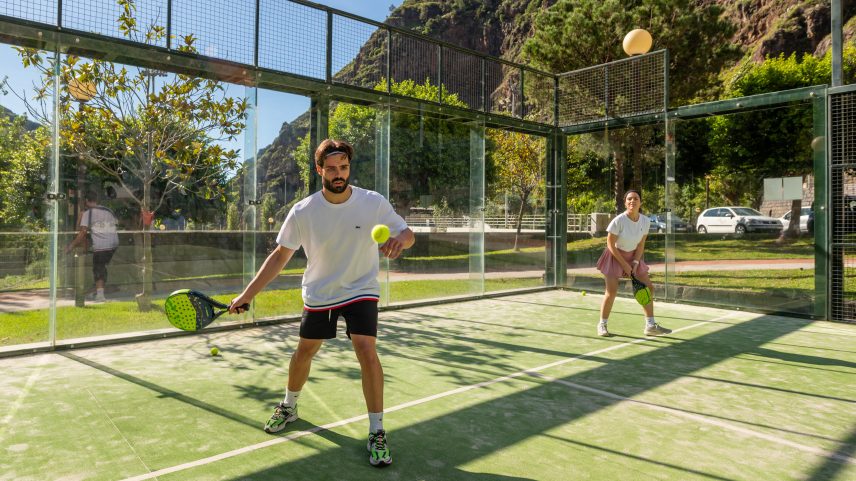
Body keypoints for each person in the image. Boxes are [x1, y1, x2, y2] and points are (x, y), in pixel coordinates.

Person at [228, 139, 415, 467]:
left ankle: (377, 431)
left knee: (366, 350)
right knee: (305, 351)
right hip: (320, 293)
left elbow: (408, 233)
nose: (338, 173)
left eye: (343, 167)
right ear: (319, 170)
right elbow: (279, 256)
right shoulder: (303, 211)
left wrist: (401, 240)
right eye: (331, 168)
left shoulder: (373, 202)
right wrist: (247, 295)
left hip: (362, 289)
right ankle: (290, 405)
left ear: (349, 168)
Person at [595, 190, 671, 337]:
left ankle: (650, 325)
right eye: (629, 199)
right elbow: (610, 244)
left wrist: (635, 262)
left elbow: (641, 244)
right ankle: (602, 325)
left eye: (636, 198)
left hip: (633, 257)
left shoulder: (645, 221)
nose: (632, 201)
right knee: (611, 292)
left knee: (648, 287)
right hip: (614, 256)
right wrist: (624, 264)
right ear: (625, 203)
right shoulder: (618, 221)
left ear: (640, 202)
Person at [65, 191, 119, 303]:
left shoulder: (88, 213)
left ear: (86, 201)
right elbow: (115, 224)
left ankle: (100, 295)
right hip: (114, 244)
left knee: (98, 268)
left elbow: (82, 232)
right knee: (102, 267)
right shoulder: (108, 210)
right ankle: (95, 291)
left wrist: (71, 246)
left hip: (101, 245)